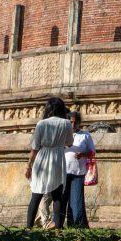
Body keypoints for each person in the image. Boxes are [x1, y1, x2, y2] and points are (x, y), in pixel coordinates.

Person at [25, 96, 73, 229]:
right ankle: (58, 227)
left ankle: (28, 227)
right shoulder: (66, 123)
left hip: (42, 158)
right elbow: (70, 142)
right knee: (57, 196)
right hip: (58, 159)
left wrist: (28, 166)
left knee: (36, 194)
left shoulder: (41, 124)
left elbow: (35, 147)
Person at [64, 109, 96, 228]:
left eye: (75, 122)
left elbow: (92, 152)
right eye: (71, 122)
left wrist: (82, 154)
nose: (73, 125)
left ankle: (78, 225)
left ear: (79, 123)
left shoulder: (85, 135)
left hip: (78, 172)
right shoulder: (63, 135)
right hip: (63, 171)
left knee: (76, 200)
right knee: (63, 201)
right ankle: (65, 224)